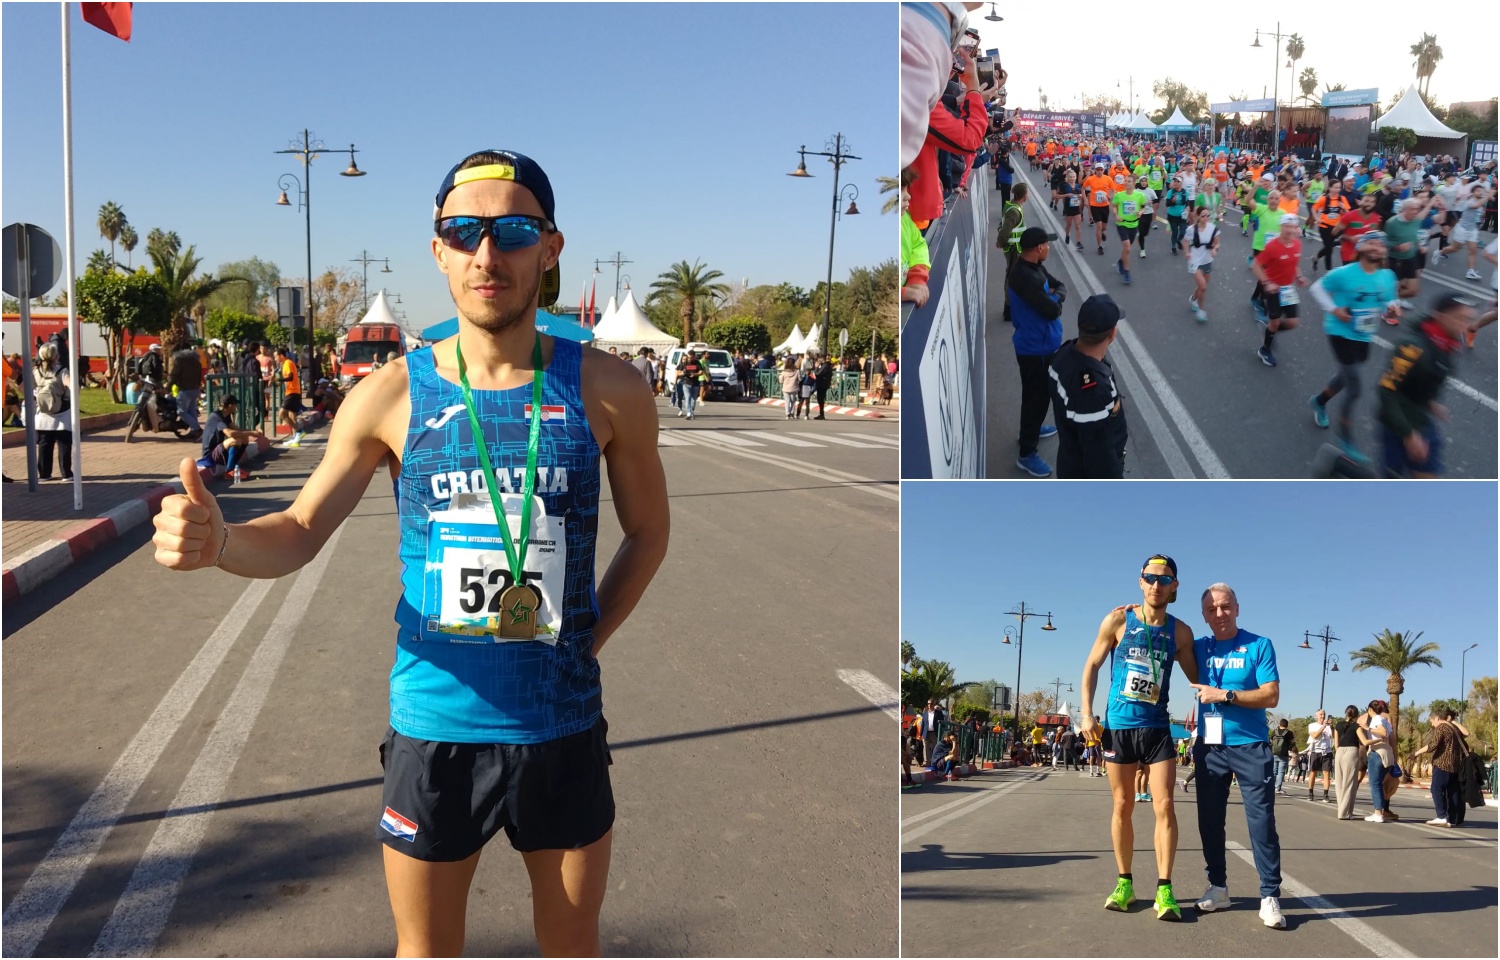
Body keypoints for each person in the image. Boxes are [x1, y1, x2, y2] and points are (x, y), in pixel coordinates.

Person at [151, 148, 670, 958]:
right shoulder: (391, 393)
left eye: (513, 230)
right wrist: (221, 543)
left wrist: (585, 636)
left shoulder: (610, 390)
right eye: (463, 232)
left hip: (561, 725)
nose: (487, 254)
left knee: (572, 946)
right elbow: (300, 528)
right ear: (438, 250)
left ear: (551, 247)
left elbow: (650, 532)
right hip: (434, 732)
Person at [1078, 555, 1199, 920]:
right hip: (1119, 727)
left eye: (1164, 579)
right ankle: (1125, 882)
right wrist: (1086, 713)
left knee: (1164, 806)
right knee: (1122, 806)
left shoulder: (1181, 632)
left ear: (1175, 585)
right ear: (1140, 581)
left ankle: (1165, 889)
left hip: (1158, 728)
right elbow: (1092, 666)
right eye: (1150, 578)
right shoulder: (1118, 619)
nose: (1156, 585)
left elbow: (1199, 679)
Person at [1189, 583, 1286, 930]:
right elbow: (1161, 637)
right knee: (1209, 822)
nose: (1220, 614)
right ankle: (1218, 888)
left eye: (1225, 606)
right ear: (1204, 615)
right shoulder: (1199, 647)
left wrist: (1225, 694)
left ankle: (1270, 896)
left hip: (1251, 745)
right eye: (1212, 609)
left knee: (1261, 822)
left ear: (1237, 607)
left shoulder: (1259, 645)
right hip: (1210, 748)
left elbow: (1270, 695)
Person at [1308, 231, 1400, 462]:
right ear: (1360, 247)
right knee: (1355, 386)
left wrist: (1392, 307)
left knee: (1345, 376)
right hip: (1340, 331)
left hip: (1364, 334)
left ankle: (1319, 401)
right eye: (1370, 243)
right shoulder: (1344, 273)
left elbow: (1389, 298)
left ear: (1385, 251)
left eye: (1380, 245)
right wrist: (1334, 309)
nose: (1376, 248)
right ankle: (1344, 436)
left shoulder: (1388, 276)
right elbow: (1316, 289)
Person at [1048, 294, 1128, 479]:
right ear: (1112, 333)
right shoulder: (1093, 392)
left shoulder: (1063, 354)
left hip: (1070, 456)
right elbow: (1099, 457)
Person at [1008, 227, 1065, 477]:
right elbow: (1052, 310)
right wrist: (1056, 299)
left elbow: (1058, 286)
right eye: (1047, 244)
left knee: (1036, 397)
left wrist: (1056, 295)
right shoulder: (1023, 276)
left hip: (1039, 344)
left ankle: (1028, 432)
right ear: (1039, 248)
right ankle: (1026, 454)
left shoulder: (1035, 267)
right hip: (1035, 349)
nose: (1049, 248)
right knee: (1038, 399)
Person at [1250, 215, 1307, 367]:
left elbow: (1294, 264)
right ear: (1281, 227)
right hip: (1273, 288)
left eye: (1293, 226)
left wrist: (1299, 276)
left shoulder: (1297, 244)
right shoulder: (1272, 247)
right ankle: (1264, 350)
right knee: (1274, 322)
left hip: (1288, 289)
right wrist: (1267, 283)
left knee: (1293, 322)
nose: (1289, 230)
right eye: (1286, 226)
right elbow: (1255, 265)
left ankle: (1268, 330)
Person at [1411, 708, 1465, 827]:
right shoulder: (1454, 728)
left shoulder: (1441, 728)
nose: (1432, 724)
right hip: (1455, 765)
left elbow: (1433, 745)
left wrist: (1416, 753)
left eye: (1431, 720)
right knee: (1453, 792)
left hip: (1442, 764)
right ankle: (1453, 818)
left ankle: (1441, 816)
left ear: (1437, 718)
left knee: (1436, 789)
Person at [196, 394, 263, 482]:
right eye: (235, 405)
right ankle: (228, 471)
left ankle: (234, 467)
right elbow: (230, 433)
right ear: (230, 405)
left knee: (244, 438)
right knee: (235, 440)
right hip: (211, 454)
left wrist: (254, 432)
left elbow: (237, 430)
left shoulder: (226, 416)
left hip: (219, 450)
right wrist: (252, 433)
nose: (236, 407)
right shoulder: (216, 416)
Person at [32, 343, 73, 481]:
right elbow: (71, 385)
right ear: (56, 356)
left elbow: (22, 387)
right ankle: (66, 473)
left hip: (43, 414)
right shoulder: (62, 370)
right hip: (62, 413)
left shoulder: (36, 371)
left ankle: (44, 474)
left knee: (44, 444)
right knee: (64, 443)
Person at [1357, 700, 1399, 822]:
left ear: (1370, 710)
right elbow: (1392, 739)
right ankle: (1380, 812)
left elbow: (1383, 732)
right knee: (1380, 784)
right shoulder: (1386, 721)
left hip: (1377, 753)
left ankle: (1377, 813)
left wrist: (1368, 728)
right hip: (1387, 754)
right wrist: (1394, 756)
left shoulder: (1376, 719)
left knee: (1375, 784)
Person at [1183, 205, 1221, 323]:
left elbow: (1217, 243)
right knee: (1203, 287)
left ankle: (1194, 299)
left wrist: (1215, 249)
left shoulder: (1212, 227)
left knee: (1201, 286)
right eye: (1203, 215)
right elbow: (1185, 241)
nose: (1206, 218)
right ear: (1198, 217)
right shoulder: (1191, 229)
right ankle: (1201, 310)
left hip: (1207, 260)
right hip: (1195, 261)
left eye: (1208, 215)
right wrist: (1187, 252)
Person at [1111, 177, 1147, 285]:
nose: (1126, 183)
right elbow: (1114, 206)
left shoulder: (1140, 196)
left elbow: (1144, 206)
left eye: (1129, 181)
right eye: (1125, 181)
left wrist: (1141, 212)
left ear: (1134, 183)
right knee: (1127, 248)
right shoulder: (1119, 195)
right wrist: (1116, 215)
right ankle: (1127, 272)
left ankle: (1121, 261)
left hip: (1134, 224)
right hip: (1122, 224)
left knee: (1127, 249)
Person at [1333, 704, 1363, 820]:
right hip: (1351, 752)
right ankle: (1344, 813)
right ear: (1356, 715)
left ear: (1346, 713)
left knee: (1340, 782)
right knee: (1349, 782)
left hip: (1339, 752)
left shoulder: (1338, 725)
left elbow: (1336, 744)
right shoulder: (1357, 727)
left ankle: (1344, 810)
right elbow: (1364, 741)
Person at [274, 345, 305, 447]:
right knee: (291, 414)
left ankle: (299, 432)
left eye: (276, 357)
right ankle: (295, 438)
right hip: (291, 391)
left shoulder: (287, 363)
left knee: (282, 414)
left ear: (281, 355)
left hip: (292, 392)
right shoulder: (286, 364)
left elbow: (290, 377)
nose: (275, 359)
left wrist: (279, 380)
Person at [1083, 162, 1115, 256]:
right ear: (1095, 170)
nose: (1100, 171)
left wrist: (1109, 198)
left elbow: (1113, 190)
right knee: (1099, 226)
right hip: (1094, 205)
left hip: (1105, 205)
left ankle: (1102, 233)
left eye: (1101, 169)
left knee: (1104, 227)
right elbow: (1083, 188)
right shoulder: (1090, 179)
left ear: (1103, 170)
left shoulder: (1108, 178)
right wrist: (1085, 199)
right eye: (1098, 170)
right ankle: (1099, 246)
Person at [1305, 710, 1335, 803]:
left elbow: (1333, 736)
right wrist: (1323, 726)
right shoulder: (1312, 725)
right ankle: (1310, 793)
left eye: (1324, 714)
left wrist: (1332, 727)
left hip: (1327, 751)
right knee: (1313, 772)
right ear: (1316, 716)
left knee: (1327, 773)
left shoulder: (1328, 727)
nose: (1322, 716)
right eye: (1321, 714)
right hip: (1315, 751)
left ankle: (1326, 794)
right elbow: (1314, 735)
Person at [674, 348, 707, 420]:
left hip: (695, 383)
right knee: (687, 398)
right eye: (688, 357)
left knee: (693, 399)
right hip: (686, 383)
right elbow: (677, 372)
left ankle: (691, 412)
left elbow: (701, 371)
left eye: (691, 357)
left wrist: (695, 374)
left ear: (694, 356)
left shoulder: (697, 362)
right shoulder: (685, 363)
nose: (689, 359)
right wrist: (683, 373)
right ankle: (689, 413)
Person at [1270, 719, 1295, 795]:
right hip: (1283, 754)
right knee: (1281, 772)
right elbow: (1292, 743)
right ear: (1287, 725)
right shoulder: (1289, 733)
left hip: (1274, 753)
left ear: (1279, 724)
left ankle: (1271, 787)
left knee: (1274, 771)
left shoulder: (1274, 731)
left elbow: (1271, 740)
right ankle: (1278, 788)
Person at [813, 355, 835, 419]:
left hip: (822, 384)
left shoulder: (825, 366)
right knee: (820, 399)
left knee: (820, 399)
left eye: (819, 359)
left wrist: (816, 367)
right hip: (823, 384)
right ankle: (821, 414)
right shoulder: (827, 365)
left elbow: (817, 374)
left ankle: (821, 414)